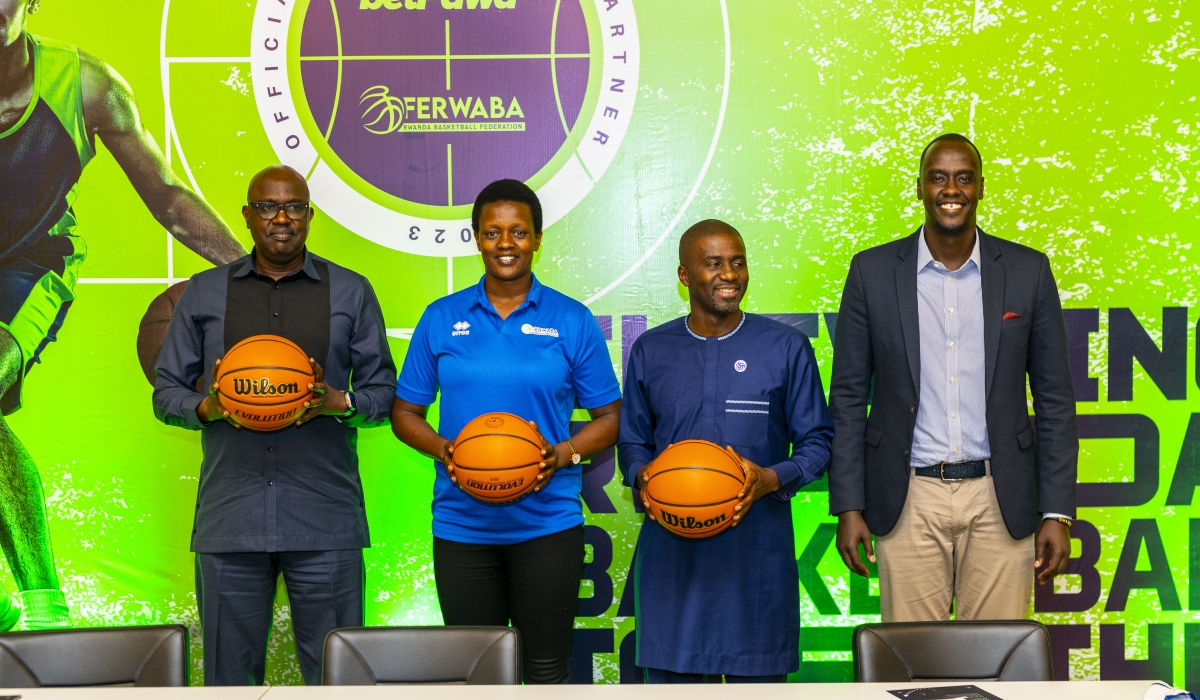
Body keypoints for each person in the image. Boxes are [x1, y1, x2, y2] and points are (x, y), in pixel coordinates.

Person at [0, 0, 246, 630]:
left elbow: (165, 195)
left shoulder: (83, 85)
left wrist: (255, 277)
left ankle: (43, 604)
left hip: (30, 264)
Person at [152, 165, 395, 685]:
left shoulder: (351, 292)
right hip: (230, 519)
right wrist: (209, 408)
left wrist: (337, 401)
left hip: (324, 519)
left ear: (309, 216)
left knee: (339, 681)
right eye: (267, 207)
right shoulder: (204, 292)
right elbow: (166, 392)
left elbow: (383, 395)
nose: (281, 218)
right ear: (247, 215)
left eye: (295, 207)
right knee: (228, 682)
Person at [828, 133, 1077, 621]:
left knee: (998, 667)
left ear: (981, 187)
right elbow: (849, 399)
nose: (951, 189)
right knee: (912, 668)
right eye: (938, 178)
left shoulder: (1028, 271)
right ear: (919, 188)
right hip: (908, 498)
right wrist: (848, 507)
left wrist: (1056, 511)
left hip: (999, 497)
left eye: (963, 178)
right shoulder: (871, 272)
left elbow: (1054, 401)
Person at [392, 179, 621, 684]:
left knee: (545, 671)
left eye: (519, 231)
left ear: (538, 239)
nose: (506, 243)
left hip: (547, 526)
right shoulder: (441, 317)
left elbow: (611, 417)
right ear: (476, 238)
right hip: (461, 527)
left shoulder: (571, 319)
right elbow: (404, 413)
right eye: (493, 232)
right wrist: (446, 450)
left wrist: (563, 453)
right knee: (475, 677)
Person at [618, 220, 834, 683]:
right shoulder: (651, 350)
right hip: (671, 566)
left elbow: (818, 442)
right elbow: (632, 441)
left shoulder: (786, 347)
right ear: (684, 276)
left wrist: (770, 479)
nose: (729, 275)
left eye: (738, 263)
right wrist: (646, 476)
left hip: (755, 565)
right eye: (713, 264)